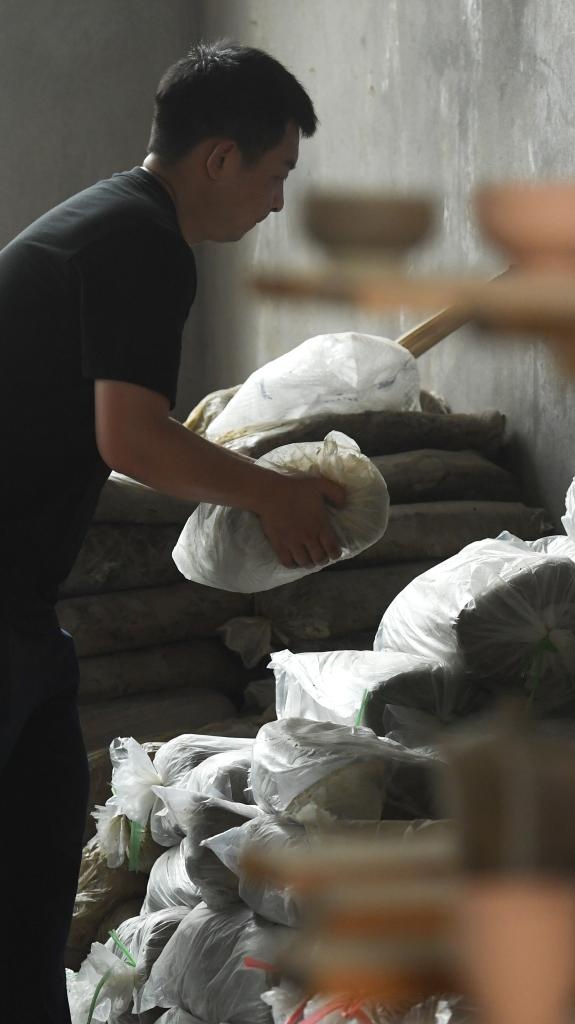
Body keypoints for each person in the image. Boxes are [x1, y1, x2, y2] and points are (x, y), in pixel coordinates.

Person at [0, 41, 343, 1022]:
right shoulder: (139, 240)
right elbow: (133, 437)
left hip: (21, 607)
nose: (276, 202)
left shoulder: (111, 222)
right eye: (275, 173)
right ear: (219, 158)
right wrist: (269, 493)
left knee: (36, 852)